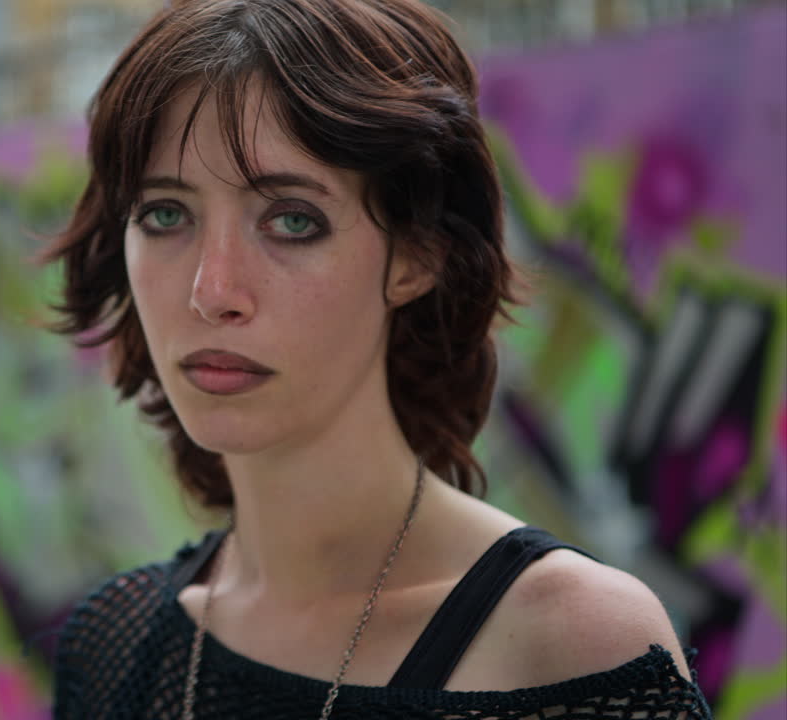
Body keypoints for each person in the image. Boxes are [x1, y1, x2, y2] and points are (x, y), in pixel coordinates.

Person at [44, 0, 712, 717]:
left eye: (292, 220)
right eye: (165, 214)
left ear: (417, 254)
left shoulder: (566, 643)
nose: (213, 292)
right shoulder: (117, 644)